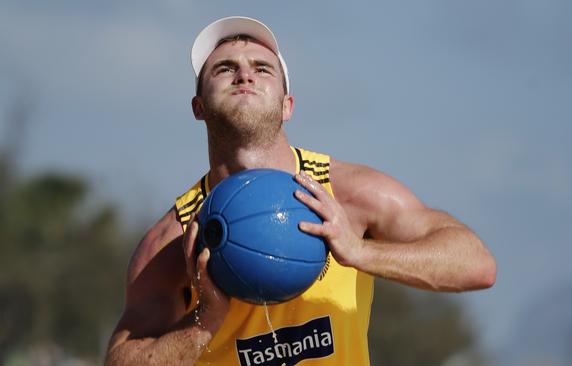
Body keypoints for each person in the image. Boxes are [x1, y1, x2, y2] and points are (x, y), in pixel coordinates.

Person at [105, 16, 496, 366]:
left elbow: (475, 264)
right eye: (225, 69)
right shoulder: (174, 241)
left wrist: (360, 251)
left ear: (288, 104)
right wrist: (206, 319)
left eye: (262, 68)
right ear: (198, 106)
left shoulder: (348, 195)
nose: (245, 75)